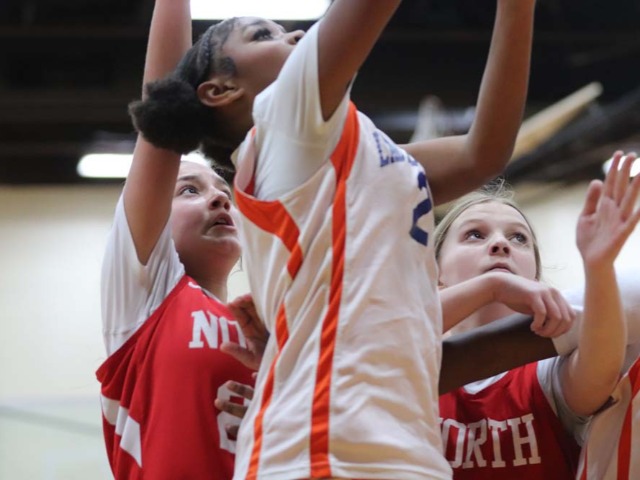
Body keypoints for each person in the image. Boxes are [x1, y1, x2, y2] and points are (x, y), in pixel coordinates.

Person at [129, 1, 539, 478]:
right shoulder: (282, 119)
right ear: (221, 90)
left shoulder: (360, 153)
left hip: (398, 447)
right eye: (263, 35)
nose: (296, 34)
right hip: (319, 450)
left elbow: (482, 153)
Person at [95, 1, 254, 478]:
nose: (219, 198)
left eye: (224, 191)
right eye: (189, 189)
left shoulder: (265, 322)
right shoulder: (148, 292)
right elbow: (165, 104)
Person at [436, 152, 640, 479]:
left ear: (533, 276)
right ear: (435, 273)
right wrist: (492, 286)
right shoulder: (406, 354)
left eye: (518, 238)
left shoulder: (546, 369)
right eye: (475, 234)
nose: (500, 244)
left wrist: (598, 267)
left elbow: (598, 376)